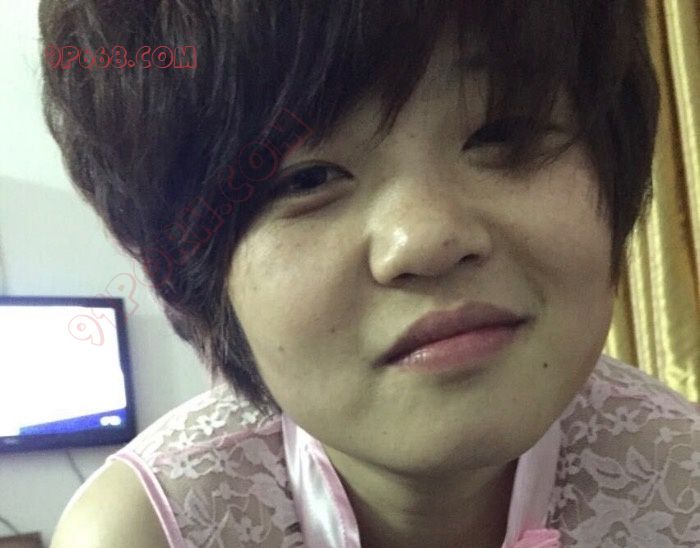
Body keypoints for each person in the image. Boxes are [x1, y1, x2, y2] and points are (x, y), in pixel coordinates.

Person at [40, 1, 699, 547]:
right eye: (307, 179)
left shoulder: (683, 490)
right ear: (196, 278)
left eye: (503, 132)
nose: (426, 240)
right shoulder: (146, 532)